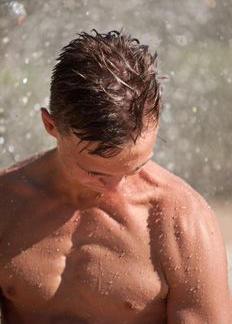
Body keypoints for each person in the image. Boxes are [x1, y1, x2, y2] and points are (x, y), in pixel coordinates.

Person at [0, 30, 231, 324]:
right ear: (50, 125)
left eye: (134, 167)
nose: (116, 185)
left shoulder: (181, 222)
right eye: (94, 171)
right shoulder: (5, 205)